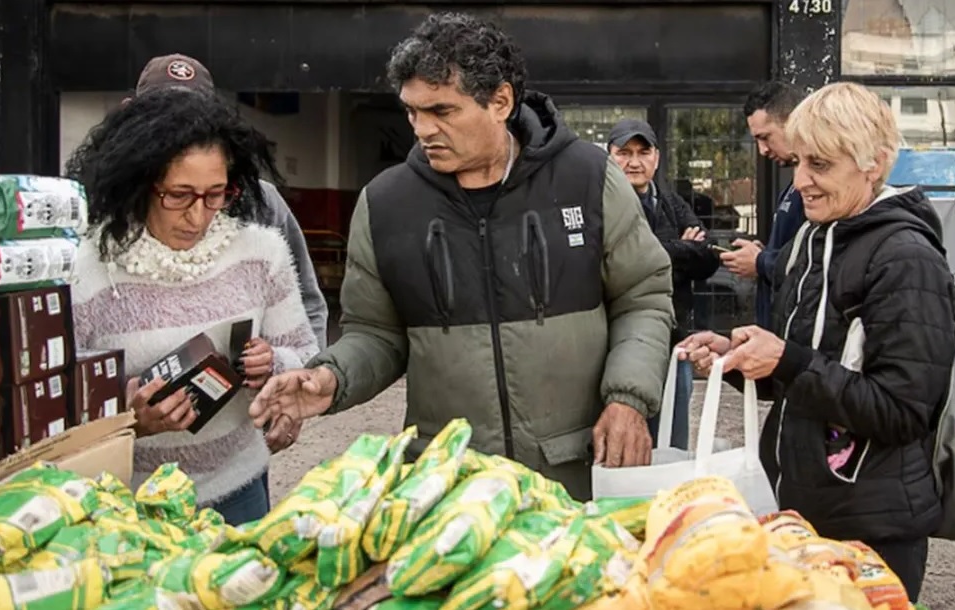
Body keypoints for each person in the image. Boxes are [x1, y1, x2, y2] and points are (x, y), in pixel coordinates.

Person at [247, 12, 674, 500]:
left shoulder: (589, 178)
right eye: (412, 111)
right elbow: (377, 334)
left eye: (442, 111)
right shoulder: (385, 204)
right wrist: (330, 377)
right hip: (450, 489)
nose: (422, 129)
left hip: (574, 474)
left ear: (500, 101)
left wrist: (629, 399)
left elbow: (643, 297)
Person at [679, 82, 955, 602]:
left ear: (873, 163)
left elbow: (902, 409)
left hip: (871, 528)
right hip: (804, 511)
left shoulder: (906, 259)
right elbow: (803, 374)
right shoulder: (813, 236)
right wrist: (737, 359)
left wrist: (785, 359)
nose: (802, 180)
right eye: (800, 162)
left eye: (821, 166)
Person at [66, 88, 319, 525]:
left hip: (238, 493)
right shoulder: (88, 268)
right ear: (141, 184)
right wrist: (129, 418)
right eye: (179, 195)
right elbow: (59, 400)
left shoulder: (262, 253)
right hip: (129, 504)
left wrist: (273, 364)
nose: (198, 216)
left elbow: (305, 353)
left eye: (215, 194)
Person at [132, 53, 329, 352]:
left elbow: (306, 303)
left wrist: (305, 375)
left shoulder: (261, 202)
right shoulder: (107, 206)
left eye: (214, 196)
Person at [607, 119, 719, 450]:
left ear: (656, 158)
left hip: (676, 340)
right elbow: (619, 265)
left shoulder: (670, 202)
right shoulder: (603, 205)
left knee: (672, 441)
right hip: (621, 344)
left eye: (643, 152)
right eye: (624, 153)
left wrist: (664, 252)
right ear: (610, 158)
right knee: (625, 441)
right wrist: (680, 250)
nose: (634, 162)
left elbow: (708, 258)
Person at [721, 81, 807, 329]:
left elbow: (817, 265)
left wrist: (761, 261)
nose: (762, 150)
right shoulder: (791, 190)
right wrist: (765, 253)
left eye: (765, 137)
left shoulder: (819, 194)